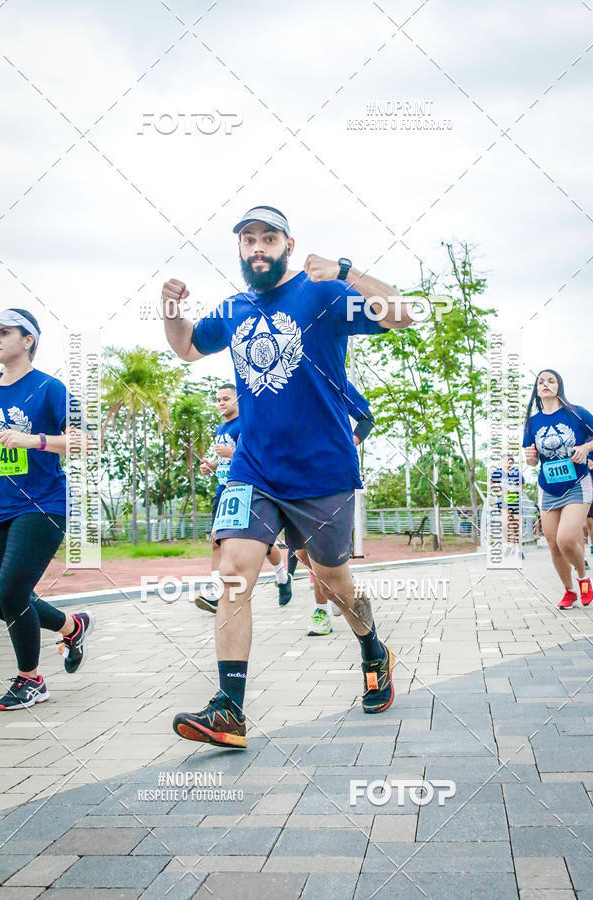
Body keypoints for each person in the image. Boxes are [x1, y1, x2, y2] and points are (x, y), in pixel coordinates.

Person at [163, 204, 412, 749]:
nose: (257, 248)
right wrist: (171, 310)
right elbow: (185, 347)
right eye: (248, 239)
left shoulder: (323, 296)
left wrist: (346, 270)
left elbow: (402, 314)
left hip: (323, 473)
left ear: (288, 245)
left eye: (268, 238)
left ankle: (373, 650)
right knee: (232, 571)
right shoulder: (231, 308)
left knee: (332, 582)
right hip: (254, 470)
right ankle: (229, 709)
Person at [0, 309, 95, 711]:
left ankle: (30, 680)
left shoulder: (49, 389)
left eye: (4, 332)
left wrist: (33, 440)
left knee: (12, 589)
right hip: (0, 506)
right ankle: (72, 627)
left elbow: (85, 442)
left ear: (28, 340)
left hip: (43, 504)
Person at [196, 384, 292, 613]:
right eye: (218, 399)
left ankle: (282, 577)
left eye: (226, 398)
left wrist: (230, 454)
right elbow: (226, 458)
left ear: (238, 400)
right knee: (216, 540)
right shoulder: (221, 427)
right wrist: (212, 466)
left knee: (265, 545)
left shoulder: (247, 425)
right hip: (224, 489)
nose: (221, 403)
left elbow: (256, 454)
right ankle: (217, 592)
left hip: (247, 488)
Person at [306, 378, 375, 636]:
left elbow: (367, 419)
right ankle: (336, 586)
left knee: (326, 552)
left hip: (336, 478)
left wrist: (348, 442)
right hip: (299, 476)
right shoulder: (291, 382)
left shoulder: (334, 380)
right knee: (303, 553)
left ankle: (324, 607)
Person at [523, 369, 593, 610]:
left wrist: (585, 448)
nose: (545, 384)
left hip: (577, 482)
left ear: (558, 386)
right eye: (541, 381)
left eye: (550, 380)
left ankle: (583, 578)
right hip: (547, 487)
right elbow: (532, 461)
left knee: (566, 539)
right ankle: (569, 591)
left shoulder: (576, 413)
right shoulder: (532, 422)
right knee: (553, 544)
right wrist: (530, 458)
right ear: (536, 389)